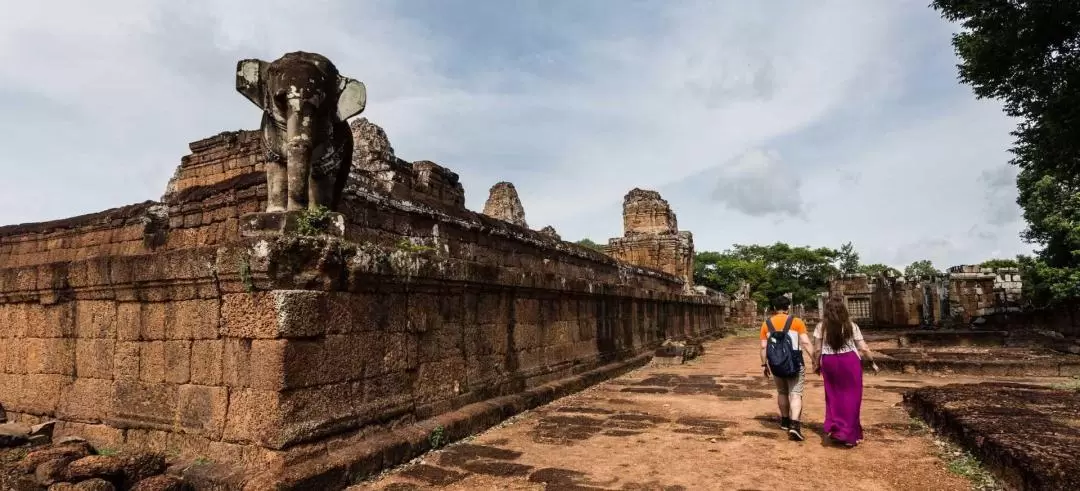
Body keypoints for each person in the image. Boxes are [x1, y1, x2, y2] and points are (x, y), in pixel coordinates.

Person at [811, 295, 879, 447]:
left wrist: (816, 364)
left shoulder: (821, 326)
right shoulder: (851, 326)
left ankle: (838, 429)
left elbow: (817, 349)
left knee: (833, 396)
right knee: (853, 396)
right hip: (849, 361)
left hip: (829, 361)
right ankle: (849, 434)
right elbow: (863, 348)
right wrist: (872, 362)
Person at [759, 295, 815, 441]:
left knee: (782, 392)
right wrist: (815, 360)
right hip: (795, 362)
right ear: (788, 307)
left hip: (776, 363)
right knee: (795, 393)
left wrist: (764, 364)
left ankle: (784, 421)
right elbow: (806, 343)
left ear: (773, 308)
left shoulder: (767, 323)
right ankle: (795, 425)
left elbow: (764, 347)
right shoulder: (796, 322)